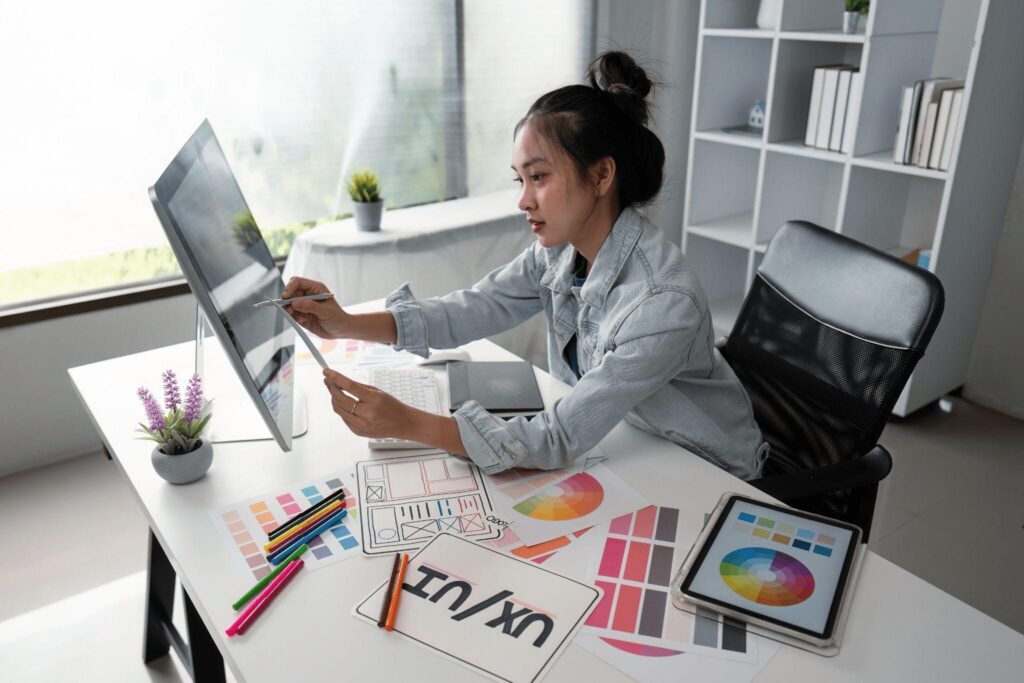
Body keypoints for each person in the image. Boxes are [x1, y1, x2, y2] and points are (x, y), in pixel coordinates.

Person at [282, 51, 768, 480]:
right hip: (633, 440)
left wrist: (408, 424)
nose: (523, 200)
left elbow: (555, 439)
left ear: (601, 174)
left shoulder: (663, 302)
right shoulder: (559, 252)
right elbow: (474, 309)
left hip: (708, 474)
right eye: (520, 179)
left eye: (538, 177)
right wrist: (345, 323)